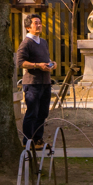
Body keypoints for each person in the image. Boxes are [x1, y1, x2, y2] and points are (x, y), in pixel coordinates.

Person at [15, 13, 54, 149]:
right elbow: (20, 62)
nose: (38, 25)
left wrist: (50, 64)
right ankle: (28, 141)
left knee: (43, 113)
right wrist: (37, 65)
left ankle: (38, 140)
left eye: (40, 23)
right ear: (28, 27)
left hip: (45, 82)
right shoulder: (26, 43)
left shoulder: (43, 42)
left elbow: (45, 58)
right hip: (32, 83)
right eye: (35, 23)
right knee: (32, 112)